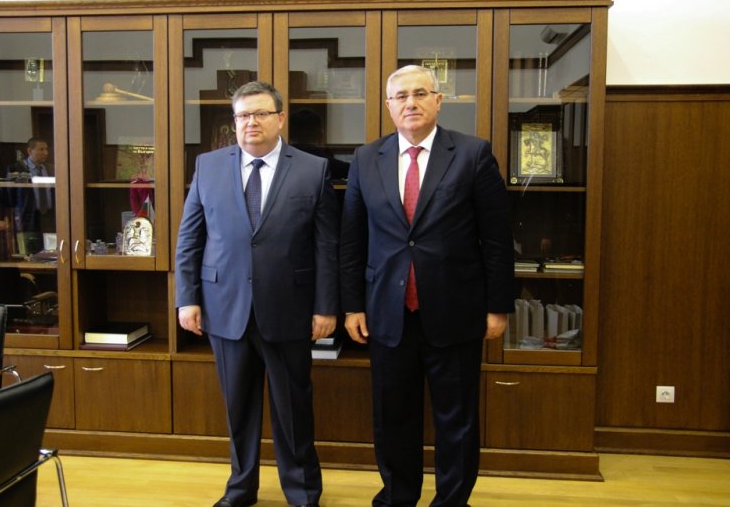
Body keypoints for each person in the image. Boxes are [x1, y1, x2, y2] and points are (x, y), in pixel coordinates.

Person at [339, 65, 514, 507]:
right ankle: (398, 497)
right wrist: (352, 305)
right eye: (401, 96)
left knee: (456, 419)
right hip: (387, 312)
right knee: (392, 415)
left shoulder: (472, 154)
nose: (410, 103)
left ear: (438, 101)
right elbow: (352, 240)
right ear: (389, 106)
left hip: (456, 311)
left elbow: (496, 238)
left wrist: (497, 306)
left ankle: (451, 501)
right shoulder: (366, 159)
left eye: (420, 93)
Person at [175, 81, 339, 507]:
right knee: (238, 409)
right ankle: (241, 488)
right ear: (234, 122)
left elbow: (326, 244)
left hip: (289, 309)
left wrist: (326, 306)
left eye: (261, 114)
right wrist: (186, 297)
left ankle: (302, 492)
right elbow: (189, 237)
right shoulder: (208, 166)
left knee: (293, 409)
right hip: (224, 308)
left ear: (280, 118)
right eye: (243, 115)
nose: (251, 122)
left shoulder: (312, 169)